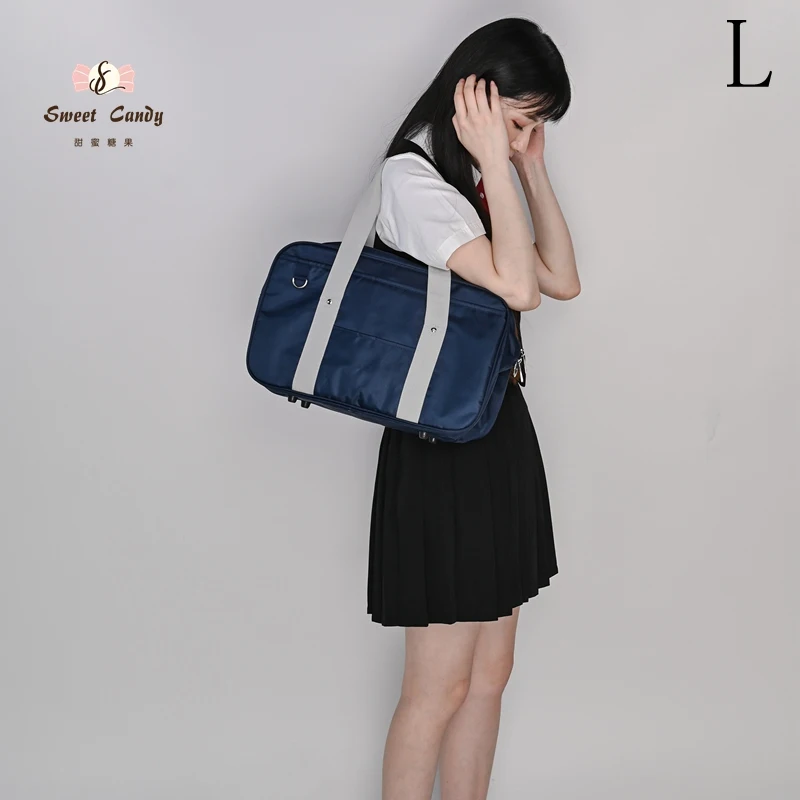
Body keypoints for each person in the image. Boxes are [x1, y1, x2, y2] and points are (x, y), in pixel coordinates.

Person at [367, 17, 580, 800]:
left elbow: (562, 278)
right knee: (439, 687)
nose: (522, 136)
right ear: (477, 99)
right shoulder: (413, 180)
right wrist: (494, 156)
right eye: (520, 120)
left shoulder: (480, 175)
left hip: (496, 429)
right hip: (440, 445)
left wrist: (527, 168)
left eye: (532, 126)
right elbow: (520, 288)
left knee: (490, 674)